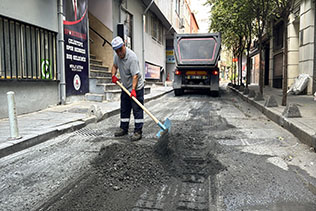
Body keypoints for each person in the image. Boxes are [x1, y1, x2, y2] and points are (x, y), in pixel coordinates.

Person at [111, 36, 145, 141]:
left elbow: (135, 75)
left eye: (120, 49)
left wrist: (134, 90)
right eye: (117, 51)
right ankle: (123, 128)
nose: (119, 53)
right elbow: (114, 66)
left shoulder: (132, 58)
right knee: (124, 109)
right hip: (125, 87)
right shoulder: (117, 56)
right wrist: (113, 75)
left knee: (137, 110)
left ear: (124, 45)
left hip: (136, 88)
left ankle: (138, 131)